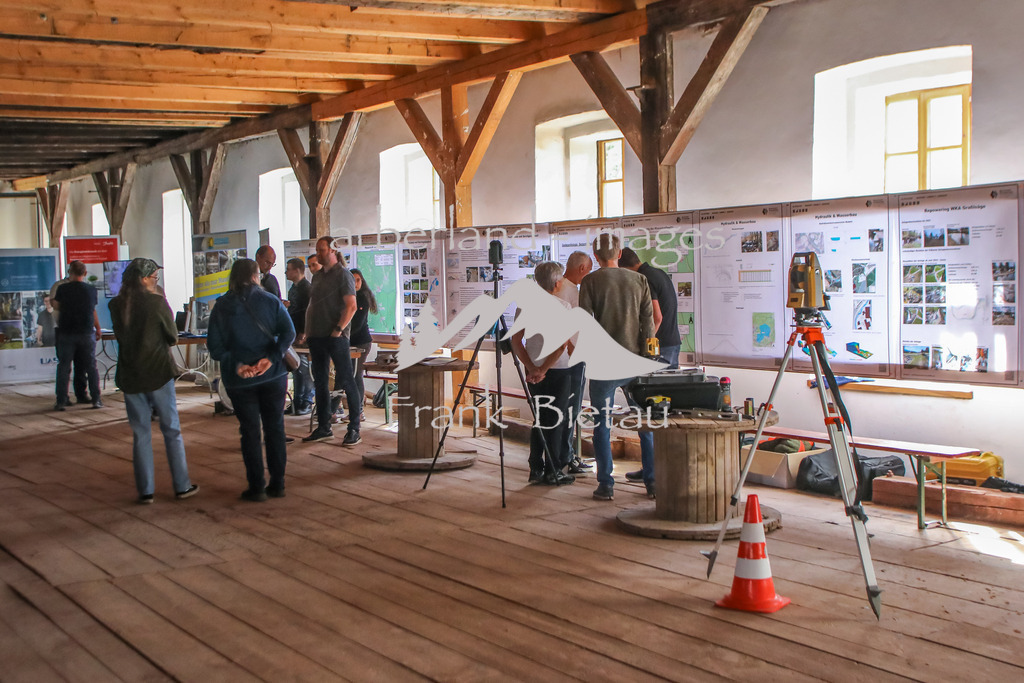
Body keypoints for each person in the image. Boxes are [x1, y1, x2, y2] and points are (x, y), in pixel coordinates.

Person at [109, 258, 198, 504]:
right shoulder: (157, 302)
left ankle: (146, 491)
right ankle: (182, 485)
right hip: (158, 372)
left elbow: (121, 335)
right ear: (144, 279)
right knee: (171, 430)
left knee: (140, 434)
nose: (156, 282)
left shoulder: (116, 304)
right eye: (154, 278)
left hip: (130, 374)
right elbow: (172, 337)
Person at [207, 259, 296, 502]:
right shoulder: (271, 300)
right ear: (257, 276)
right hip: (273, 374)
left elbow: (215, 347)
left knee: (249, 431)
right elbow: (289, 333)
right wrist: (271, 358)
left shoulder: (221, 307)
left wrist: (238, 366)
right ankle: (278, 484)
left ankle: (256, 487)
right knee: (275, 428)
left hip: (240, 381)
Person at [579, 233, 656, 501]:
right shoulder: (639, 280)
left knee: (602, 424)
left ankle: (606, 484)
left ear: (595, 255)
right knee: (645, 423)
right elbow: (649, 323)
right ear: (620, 252)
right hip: (636, 361)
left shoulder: (590, 281)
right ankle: (652, 481)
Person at [510, 261, 576, 486]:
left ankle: (535, 467)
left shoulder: (524, 306)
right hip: (557, 371)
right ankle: (553, 469)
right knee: (556, 420)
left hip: (533, 372)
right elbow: (561, 346)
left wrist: (532, 368)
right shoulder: (563, 307)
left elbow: (516, 341)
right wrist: (545, 369)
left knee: (539, 419)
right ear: (557, 284)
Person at [301, 236, 361, 445]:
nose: (318, 254)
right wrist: (308, 331)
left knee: (345, 380)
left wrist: (338, 330)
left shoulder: (343, 276)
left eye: (322, 250)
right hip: (316, 337)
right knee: (320, 383)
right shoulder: (318, 277)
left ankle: (354, 428)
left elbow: (351, 306)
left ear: (333, 251)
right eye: (317, 250)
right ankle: (324, 427)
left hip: (335, 338)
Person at [554, 250, 593, 474]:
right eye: (588, 270)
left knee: (567, 409)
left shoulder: (562, 288)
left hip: (566, 358)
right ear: (581, 269)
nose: (588, 274)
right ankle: (565, 456)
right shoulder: (569, 291)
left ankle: (564, 454)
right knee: (571, 409)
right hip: (571, 360)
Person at [52, 260, 102, 410]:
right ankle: (96, 399)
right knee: (91, 367)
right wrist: (97, 328)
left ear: (70, 272)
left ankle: (61, 401)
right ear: (85, 273)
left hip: (66, 333)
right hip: (86, 333)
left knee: (64, 368)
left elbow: (57, 306)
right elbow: (92, 311)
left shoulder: (62, 289)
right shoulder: (91, 290)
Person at [619, 247, 681, 369]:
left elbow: (656, 318)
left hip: (660, 347)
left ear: (624, 269)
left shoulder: (644, 278)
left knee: (654, 387)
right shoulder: (659, 273)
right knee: (672, 386)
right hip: (673, 342)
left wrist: (644, 346)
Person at [50, 267, 89, 404]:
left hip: (80, 330)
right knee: (65, 366)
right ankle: (62, 398)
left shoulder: (84, 287)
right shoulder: (59, 286)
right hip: (64, 330)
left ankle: (81, 394)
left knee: (81, 365)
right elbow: (54, 305)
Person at [283, 257, 314, 415]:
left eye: (288, 269)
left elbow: (309, 313)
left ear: (296, 270)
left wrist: (305, 332)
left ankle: (307, 401)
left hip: (303, 335)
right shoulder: (293, 289)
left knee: (305, 368)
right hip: (294, 333)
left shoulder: (306, 289)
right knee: (296, 368)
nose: (286, 272)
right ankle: (297, 400)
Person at [349, 268, 378, 417]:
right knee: (350, 376)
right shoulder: (348, 296)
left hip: (361, 342)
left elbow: (358, 323)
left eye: (358, 280)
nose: (356, 283)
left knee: (356, 375)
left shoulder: (362, 298)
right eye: (353, 280)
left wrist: (342, 333)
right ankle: (353, 408)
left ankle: (359, 410)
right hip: (350, 342)